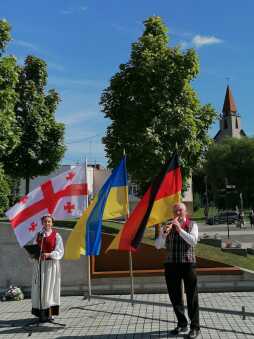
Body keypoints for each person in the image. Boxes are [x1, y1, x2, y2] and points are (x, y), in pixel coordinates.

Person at [159, 202, 200, 339]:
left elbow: (193, 241)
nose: (177, 213)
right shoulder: (167, 225)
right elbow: (157, 245)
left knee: (192, 296)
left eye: (180, 210)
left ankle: (195, 327)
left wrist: (179, 230)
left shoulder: (192, 225)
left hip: (188, 264)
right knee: (175, 296)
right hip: (171, 265)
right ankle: (182, 323)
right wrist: (163, 234)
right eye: (175, 211)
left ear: (185, 211)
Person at [31, 214, 64, 322]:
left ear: (52, 223)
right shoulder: (39, 235)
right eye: (45, 221)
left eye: (49, 221)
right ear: (42, 223)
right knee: (40, 288)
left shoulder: (56, 235)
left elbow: (60, 251)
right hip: (40, 265)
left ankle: (50, 314)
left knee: (50, 288)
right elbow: (34, 249)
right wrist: (35, 255)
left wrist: (49, 254)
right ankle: (41, 313)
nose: (47, 223)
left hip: (51, 266)